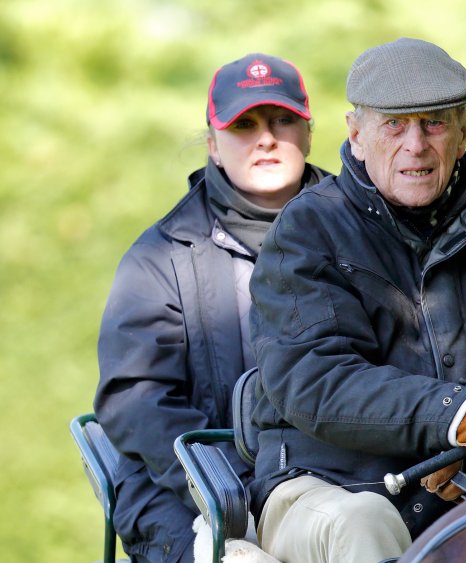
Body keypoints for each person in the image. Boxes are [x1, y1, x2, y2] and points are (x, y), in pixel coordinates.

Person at [247, 37, 466, 562]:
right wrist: (459, 412)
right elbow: (314, 380)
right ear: (356, 136)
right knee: (365, 524)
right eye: (394, 124)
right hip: (324, 488)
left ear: (462, 133)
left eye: (433, 123)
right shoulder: (307, 229)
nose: (416, 144)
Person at [94, 53, 328, 562]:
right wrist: (236, 493)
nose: (265, 137)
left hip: (336, 486)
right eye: (243, 124)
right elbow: (137, 402)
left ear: (308, 133)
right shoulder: (159, 259)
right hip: (190, 497)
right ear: (213, 146)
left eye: (282, 119)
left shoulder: (365, 231)